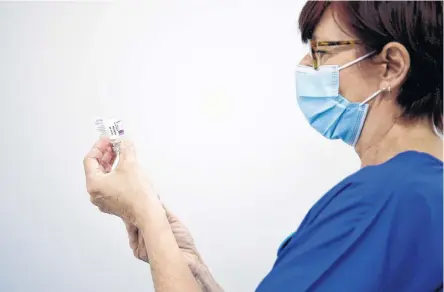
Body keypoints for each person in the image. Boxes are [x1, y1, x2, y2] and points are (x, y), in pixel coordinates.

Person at [83, 1, 443, 291]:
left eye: (321, 52)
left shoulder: (385, 199)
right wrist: (187, 263)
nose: (305, 66)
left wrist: (145, 210)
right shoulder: (424, 191)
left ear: (391, 67)